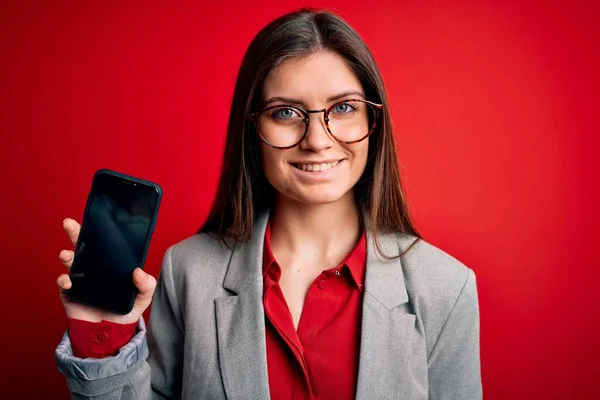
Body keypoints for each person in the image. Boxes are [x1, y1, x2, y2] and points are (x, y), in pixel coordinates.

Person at [55, 8, 481, 399]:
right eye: (286, 113)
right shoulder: (188, 273)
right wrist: (103, 335)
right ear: (252, 127)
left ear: (374, 121)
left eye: (344, 107)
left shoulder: (446, 288)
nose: (317, 140)